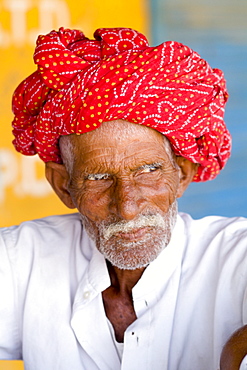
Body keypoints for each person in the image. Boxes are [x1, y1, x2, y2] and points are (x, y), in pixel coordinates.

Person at [0, 27, 246, 370]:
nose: (127, 207)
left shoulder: (236, 258)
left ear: (182, 174)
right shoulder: (22, 262)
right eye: (99, 178)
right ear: (63, 186)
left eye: (147, 171)